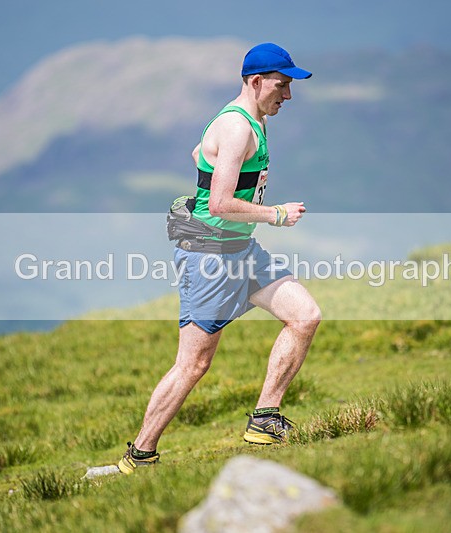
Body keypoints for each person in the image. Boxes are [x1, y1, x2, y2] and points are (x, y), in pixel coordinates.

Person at [86, 43, 320, 478]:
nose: (288, 95)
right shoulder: (237, 127)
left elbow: (198, 154)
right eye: (282, 85)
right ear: (256, 82)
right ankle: (139, 457)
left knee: (304, 316)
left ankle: (264, 420)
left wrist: (214, 163)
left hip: (240, 250)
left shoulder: (253, 120)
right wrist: (276, 214)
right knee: (193, 364)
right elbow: (219, 203)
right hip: (209, 256)